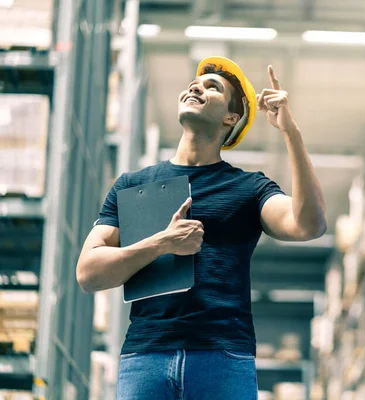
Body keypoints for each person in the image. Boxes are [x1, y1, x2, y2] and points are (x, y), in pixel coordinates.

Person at [75, 56, 327, 400]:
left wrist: (290, 131)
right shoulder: (132, 186)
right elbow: (88, 273)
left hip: (223, 358)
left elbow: (309, 225)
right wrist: (161, 243)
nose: (197, 86)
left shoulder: (250, 189)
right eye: (196, 83)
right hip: (146, 357)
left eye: (213, 87)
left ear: (230, 118)